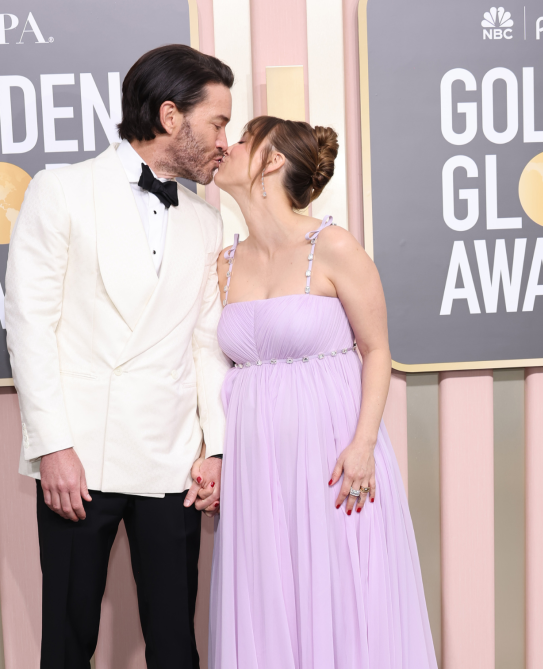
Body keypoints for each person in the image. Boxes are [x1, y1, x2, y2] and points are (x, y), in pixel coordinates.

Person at [5, 44, 232, 668]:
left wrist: (213, 448)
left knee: (174, 645)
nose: (224, 142)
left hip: (171, 459)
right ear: (168, 116)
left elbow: (207, 343)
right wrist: (52, 446)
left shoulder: (207, 221)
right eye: (216, 123)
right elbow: (30, 325)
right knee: (68, 641)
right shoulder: (62, 190)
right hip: (80, 458)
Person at [208, 116, 436, 668]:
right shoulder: (223, 262)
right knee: (271, 598)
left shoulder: (331, 245)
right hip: (257, 467)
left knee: (344, 595)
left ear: (272, 161)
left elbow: (376, 349)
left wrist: (363, 446)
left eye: (242, 139)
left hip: (334, 456)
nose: (225, 146)